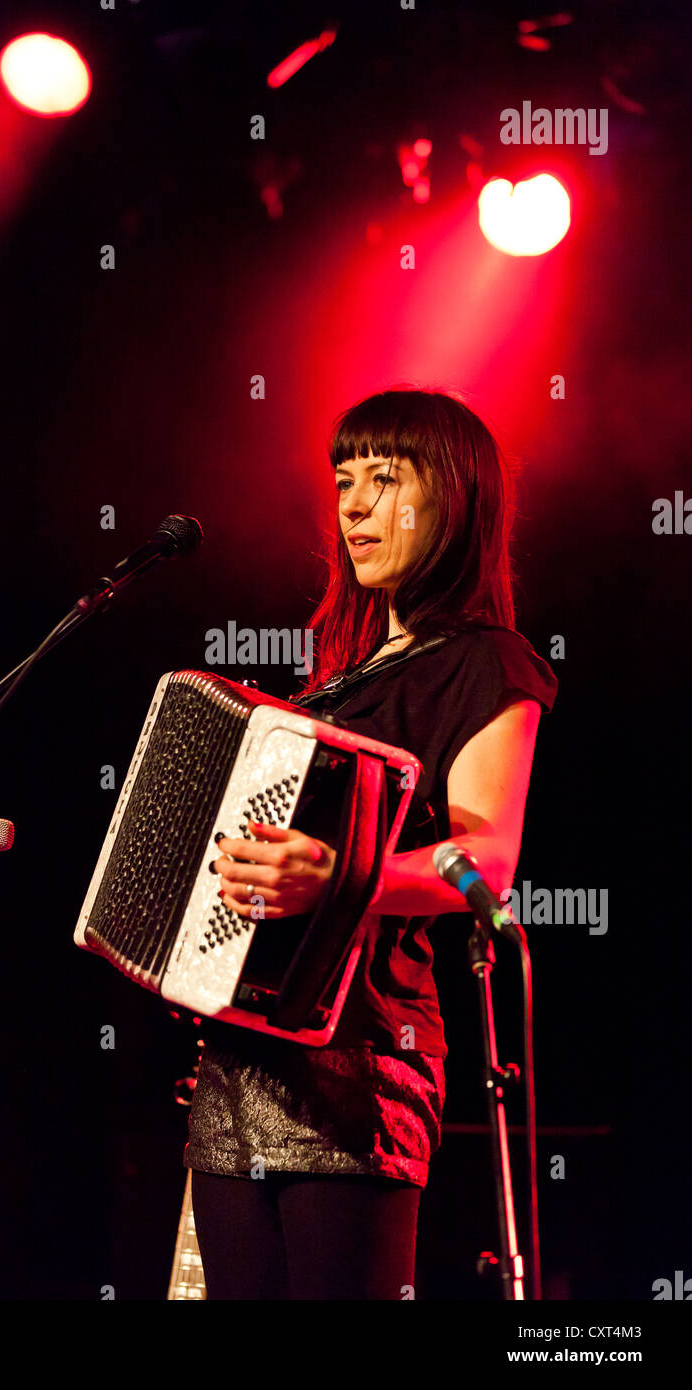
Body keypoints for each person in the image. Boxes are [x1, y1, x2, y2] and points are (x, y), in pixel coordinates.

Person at [184, 387, 558, 1300]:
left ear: (455, 497)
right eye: (344, 479)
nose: (352, 505)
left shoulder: (487, 661)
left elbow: (487, 862)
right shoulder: (330, 688)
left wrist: (336, 879)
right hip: (238, 1070)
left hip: (358, 1070)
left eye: (385, 478)